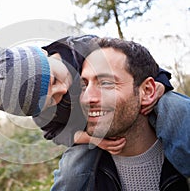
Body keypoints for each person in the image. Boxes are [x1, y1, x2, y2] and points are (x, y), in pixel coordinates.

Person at [77, 37, 189, 190]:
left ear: (148, 91)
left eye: (106, 83)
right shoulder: (78, 178)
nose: (87, 98)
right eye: (84, 86)